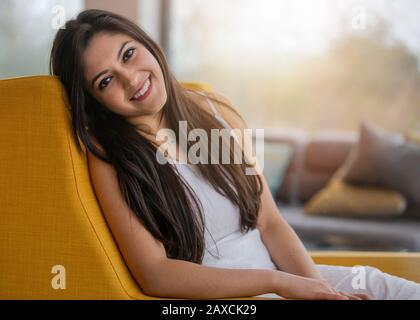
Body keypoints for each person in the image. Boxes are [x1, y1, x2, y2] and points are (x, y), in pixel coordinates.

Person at [50, 9, 420, 300]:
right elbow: (156, 274)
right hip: (234, 297)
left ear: (147, 44)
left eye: (128, 54)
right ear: (96, 102)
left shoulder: (214, 111)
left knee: (390, 289)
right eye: (106, 80)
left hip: (286, 281)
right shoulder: (109, 157)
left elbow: (270, 223)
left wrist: (317, 291)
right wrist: (280, 283)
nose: (131, 78)